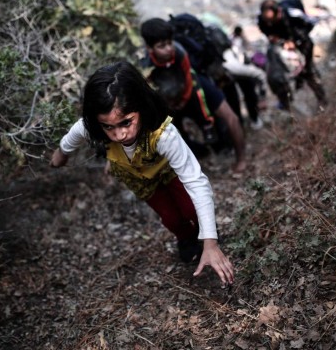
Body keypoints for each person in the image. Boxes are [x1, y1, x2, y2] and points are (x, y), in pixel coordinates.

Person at [50, 61, 235, 285]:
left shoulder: (163, 134)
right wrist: (61, 155)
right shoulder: (92, 126)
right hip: (140, 181)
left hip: (167, 171)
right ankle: (185, 238)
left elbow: (196, 182)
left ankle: (205, 231)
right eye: (109, 127)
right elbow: (72, 138)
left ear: (141, 107)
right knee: (171, 218)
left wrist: (211, 243)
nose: (119, 134)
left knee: (190, 207)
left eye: (126, 122)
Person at [140, 17, 247, 173]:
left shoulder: (179, 51)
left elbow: (189, 77)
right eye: (162, 46)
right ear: (150, 48)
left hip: (193, 88)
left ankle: (241, 158)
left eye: (169, 42)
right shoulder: (146, 65)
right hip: (168, 99)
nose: (169, 48)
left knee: (230, 116)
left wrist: (184, 100)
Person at [257, 0, 328, 109]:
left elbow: (309, 24)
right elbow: (265, 30)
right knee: (279, 74)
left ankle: (322, 99)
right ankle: (287, 102)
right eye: (267, 20)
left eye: (272, 19)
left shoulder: (292, 14)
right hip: (282, 47)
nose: (270, 23)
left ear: (279, 12)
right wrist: (273, 37)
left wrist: (294, 41)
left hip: (302, 43)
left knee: (308, 72)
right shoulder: (262, 19)